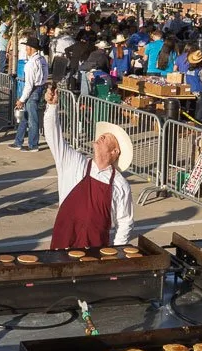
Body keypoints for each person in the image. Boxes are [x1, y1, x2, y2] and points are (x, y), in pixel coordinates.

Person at [42, 85, 134, 248]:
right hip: (63, 240)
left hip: (96, 249)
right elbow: (53, 137)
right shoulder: (74, 162)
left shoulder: (120, 184)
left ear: (115, 151)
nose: (101, 137)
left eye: (106, 138)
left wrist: (116, 254)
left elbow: (125, 222)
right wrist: (52, 107)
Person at [15, 38, 49, 151]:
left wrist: (21, 99)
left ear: (31, 48)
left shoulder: (30, 64)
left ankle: (33, 144)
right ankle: (18, 141)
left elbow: (29, 85)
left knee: (32, 119)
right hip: (39, 88)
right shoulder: (42, 59)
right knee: (26, 117)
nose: (26, 49)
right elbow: (45, 75)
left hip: (33, 90)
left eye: (27, 47)